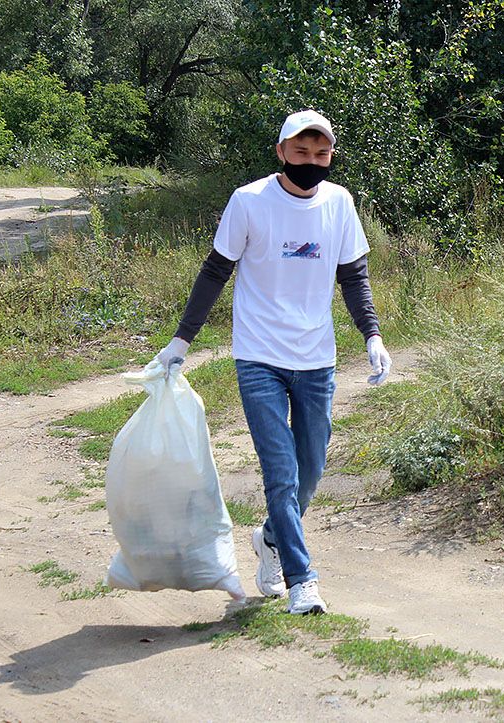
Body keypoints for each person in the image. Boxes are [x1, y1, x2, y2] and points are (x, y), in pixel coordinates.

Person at [154, 109, 392, 615]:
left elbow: (354, 276)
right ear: (281, 152)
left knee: (312, 467)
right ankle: (303, 579)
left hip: (316, 358)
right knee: (280, 472)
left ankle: (269, 537)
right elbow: (217, 270)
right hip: (258, 355)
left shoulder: (339, 204)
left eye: (321, 154)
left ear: (331, 156)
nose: (312, 162)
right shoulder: (250, 201)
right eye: (301, 153)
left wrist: (371, 334)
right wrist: (182, 341)